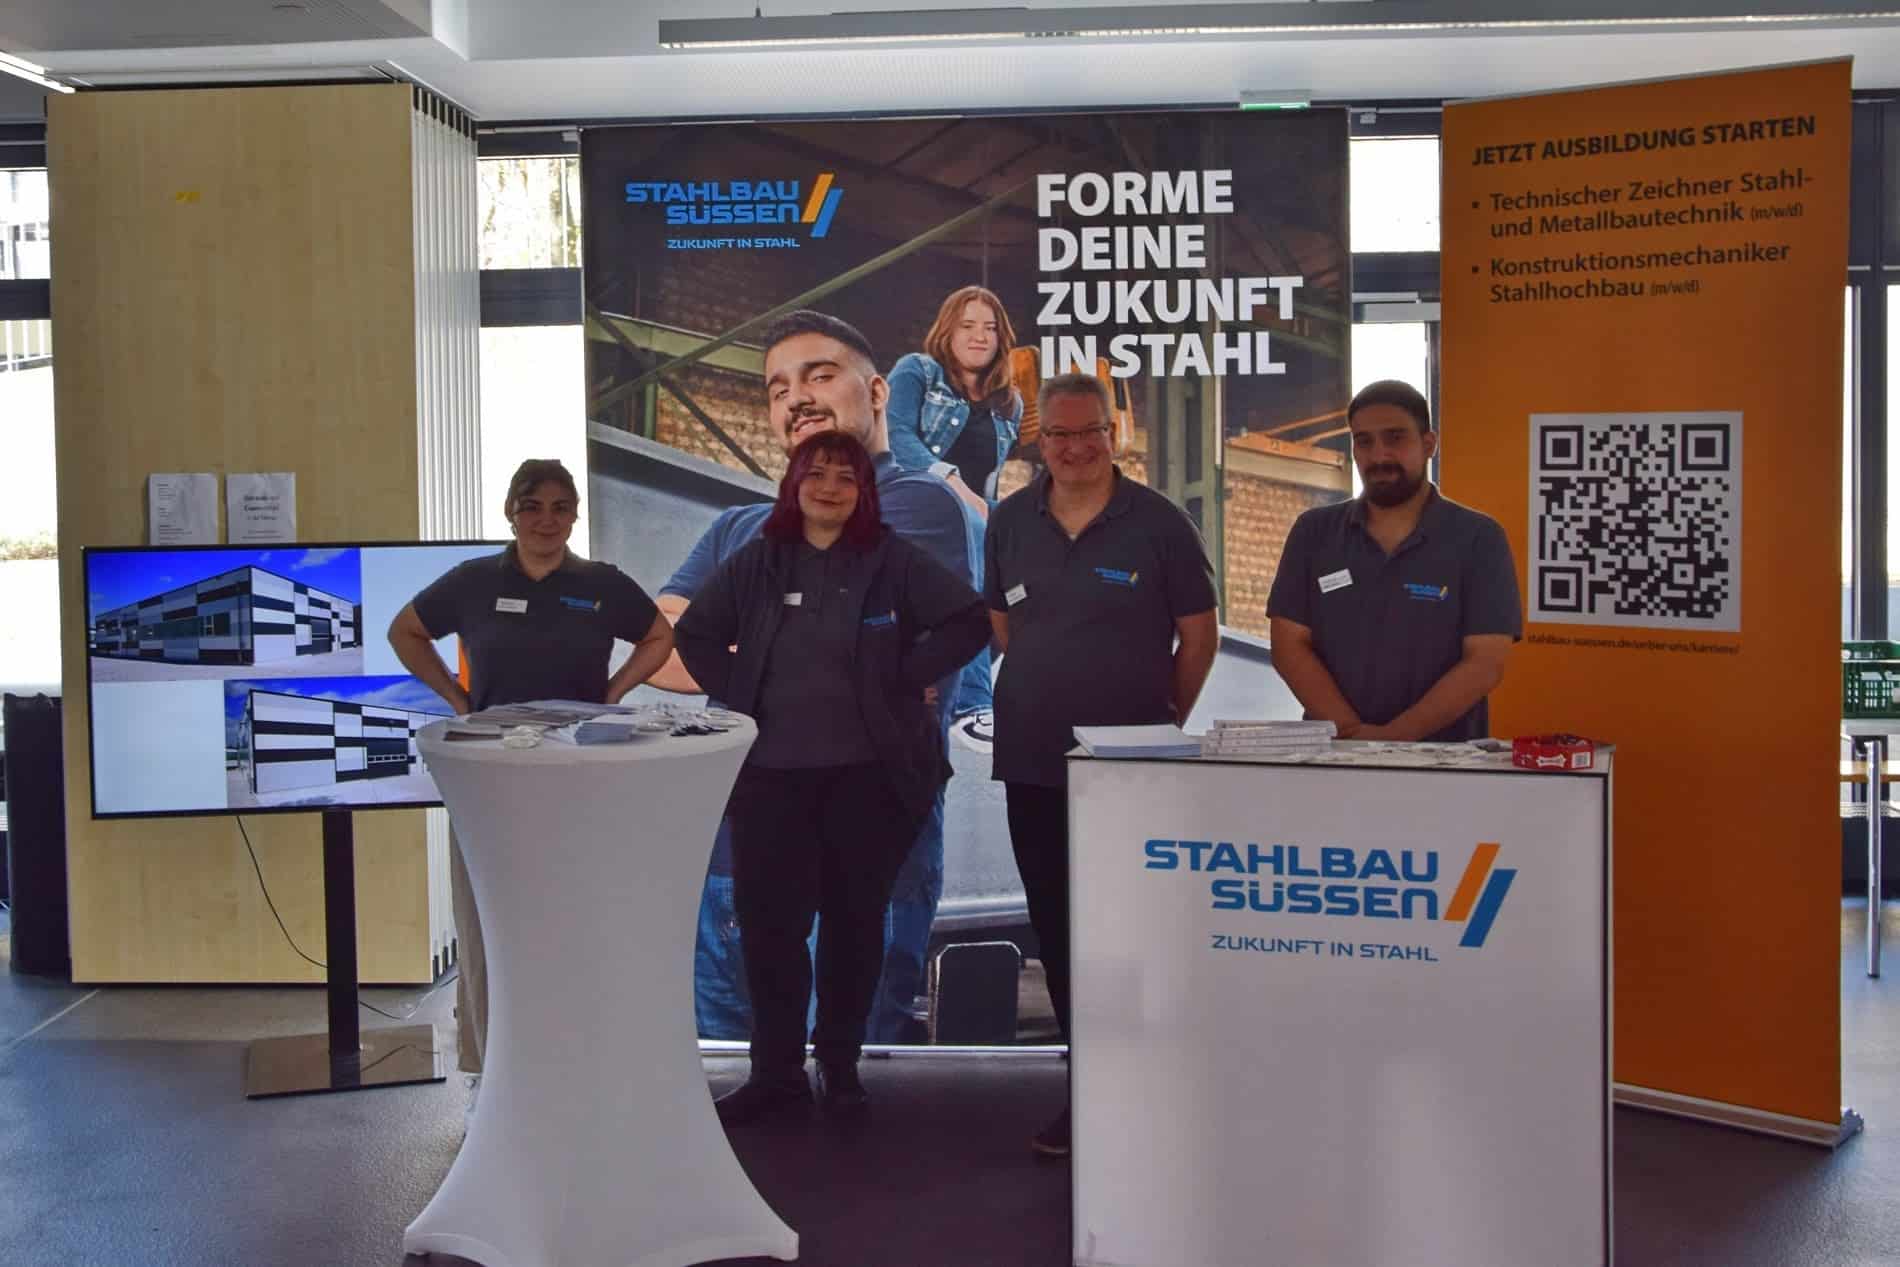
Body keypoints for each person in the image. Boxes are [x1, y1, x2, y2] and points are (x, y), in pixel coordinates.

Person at [649, 309, 984, 1049]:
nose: (795, 397)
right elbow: (661, 648)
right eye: (777, 388)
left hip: (864, 841)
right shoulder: (737, 526)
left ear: (877, 393)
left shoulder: (915, 502)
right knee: (730, 1071)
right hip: (735, 841)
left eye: (819, 375)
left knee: (842, 1065)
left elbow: (863, 644)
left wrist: (760, 642)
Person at [675, 430, 989, 1124]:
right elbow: (693, 633)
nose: (829, 487)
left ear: (863, 492)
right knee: (771, 934)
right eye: (815, 474)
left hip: (867, 783)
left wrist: (907, 674)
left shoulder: (892, 558)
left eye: (845, 477)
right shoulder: (760, 558)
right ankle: (777, 1075)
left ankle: (840, 1069)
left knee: (854, 929)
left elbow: (970, 621)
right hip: (770, 781)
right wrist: (743, 688)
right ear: (793, 484)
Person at [983, 372, 1220, 1159]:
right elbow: (1003, 622)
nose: (1075, 447)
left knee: (1132, 930)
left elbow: (1199, 635)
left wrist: (1162, 717)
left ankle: (1149, 1085)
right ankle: (1088, 1090)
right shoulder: (1009, 521)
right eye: (1059, 433)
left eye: (1090, 431)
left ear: (1113, 435)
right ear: (1040, 439)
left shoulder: (1159, 522)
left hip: (1130, 768)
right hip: (1032, 762)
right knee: (1058, 929)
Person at [387, 458, 676, 1101]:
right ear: (510, 513)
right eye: (532, 506)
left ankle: (577, 1060)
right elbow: (404, 631)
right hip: (491, 773)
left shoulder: (601, 584)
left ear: (575, 516)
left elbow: (659, 637)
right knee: (486, 919)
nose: (546, 520)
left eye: (559, 507)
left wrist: (611, 695)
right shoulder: (472, 581)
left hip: (577, 771)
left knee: (576, 915)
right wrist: (457, 699)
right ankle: (487, 1073)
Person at [1267, 379, 1521, 742]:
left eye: (1395, 438)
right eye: (1364, 441)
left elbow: (1485, 662)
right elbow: (1288, 646)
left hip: (1445, 761)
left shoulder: (1479, 539)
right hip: (1334, 757)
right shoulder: (1314, 533)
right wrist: (1352, 733)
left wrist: (1393, 739)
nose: (1379, 455)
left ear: (1429, 444)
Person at [885, 286, 1023, 746]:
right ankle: (973, 702)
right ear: (948, 330)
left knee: (1035, 549)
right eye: (968, 325)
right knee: (976, 526)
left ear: (1002, 338)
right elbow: (896, 436)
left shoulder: (1009, 404)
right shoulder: (918, 371)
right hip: (912, 499)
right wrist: (955, 485)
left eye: (990, 328)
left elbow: (991, 485)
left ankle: (966, 673)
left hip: (972, 513)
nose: (979, 336)